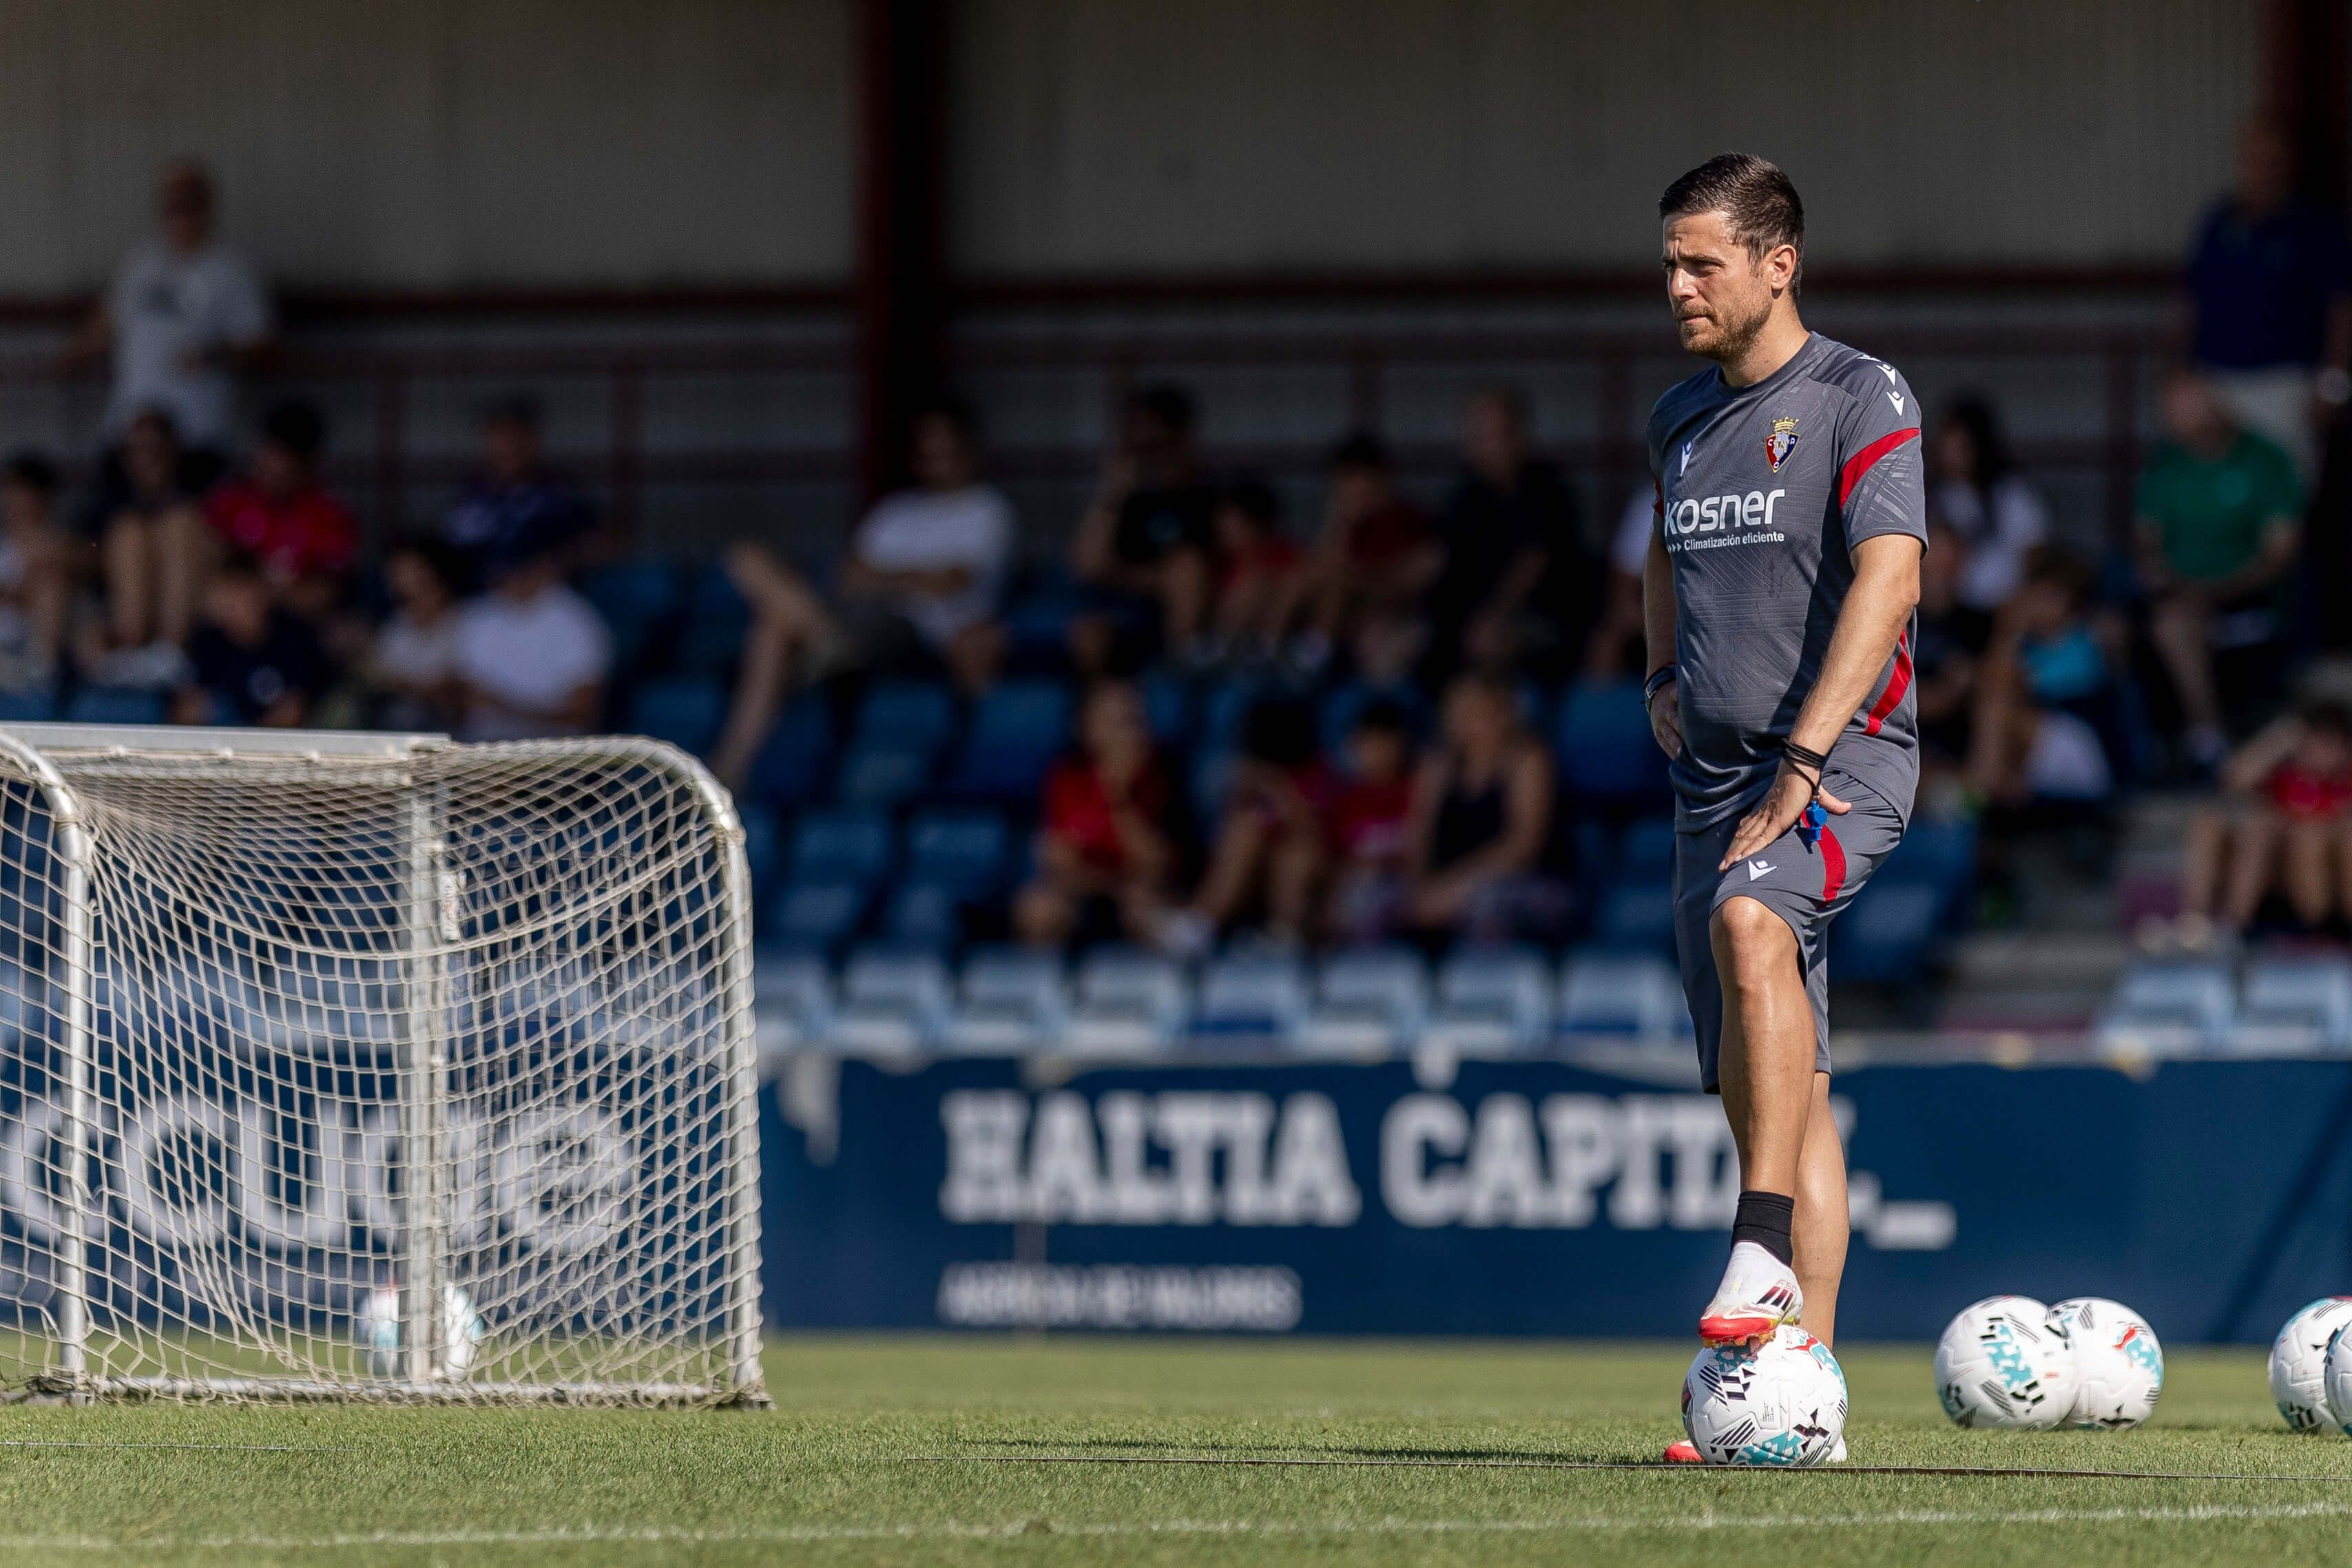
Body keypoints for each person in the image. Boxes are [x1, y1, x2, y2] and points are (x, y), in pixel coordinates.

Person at [1641, 155, 1924, 1444]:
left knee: (1755, 924)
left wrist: (1806, 759)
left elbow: (1892, 579)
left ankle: (1758, 1251)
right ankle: (1797, 1392)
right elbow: (1658, 550)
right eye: (1670, 263)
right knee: (1778, 1089)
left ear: (1778, 263)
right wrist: (1659, 670)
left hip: (1838, 759)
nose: (1679, 285)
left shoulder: (1861, 393)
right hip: (1711, 781)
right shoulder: (1678, 422)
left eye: (1703, 262)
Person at [706, 403, 1014, 789]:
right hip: (857, 616)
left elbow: (951, 581)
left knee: (773, 630)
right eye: (929, 452)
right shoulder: (897, 510)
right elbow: (849, 577)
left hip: (919, 633)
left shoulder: (987, 510)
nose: (939, 461)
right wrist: (914, 576)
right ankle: (825, 645)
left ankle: (733, 764)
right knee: (749, 560)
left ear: (969, 451)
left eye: (948, 450)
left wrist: (885, 576)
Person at [2136, 368, 2303, 771]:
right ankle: (2162, 746)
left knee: (2176, 624)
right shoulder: (2165, 465)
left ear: (2215, 402)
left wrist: (2216, 592)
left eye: (2186, 405)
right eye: (2170, 408)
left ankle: (2206, 736)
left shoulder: (2266, 460)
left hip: (2247, 601)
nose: (2176, 416)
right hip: (2179, 598)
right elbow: (2147, 541)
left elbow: (2280, 555)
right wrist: (2161, 577)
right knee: (2135, 626)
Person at [59, 162, 273, 476]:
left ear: (206, 208)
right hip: (130, 430)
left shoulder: (232, 271)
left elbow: (263, 346)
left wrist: (214, 355)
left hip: (197, 434)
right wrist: (63, 361)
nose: (179, 214)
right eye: (171, 205)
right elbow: (104, 327)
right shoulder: (140, 264)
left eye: (188, 203)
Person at [2185, 121, 2352, 480]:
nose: (2260, 169)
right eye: (2251, 159)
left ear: (2290, 163)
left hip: (2287, 386)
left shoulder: (2317, 227)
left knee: (2283, 495)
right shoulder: (2218, 222)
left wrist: (2334, 384)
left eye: (2271, 159)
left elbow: (2342, 310)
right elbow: (2190, 301)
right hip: (2216, 382)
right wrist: (2176, 371)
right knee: (2216, 496)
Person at [1428, 389, 1590, 680]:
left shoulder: (1547, 490)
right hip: (1472, 621)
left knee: (1491, 640)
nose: (1487, 447)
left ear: (1519, 437)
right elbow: (1442, 563)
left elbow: (1534, 562)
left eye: (1496, 435)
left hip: (1544, 619)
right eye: (1478, 436)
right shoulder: (1465, 497)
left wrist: (1496, 616)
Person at [1013, 680, 1181, 948]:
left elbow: (1155, 864)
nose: (1129, 732)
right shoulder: (1066, 780)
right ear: (1087, 727)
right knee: (1036, 908)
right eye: (1116, 722)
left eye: (1133, 721)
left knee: (1146, 910)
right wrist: (1110, 887)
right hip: (1088, 892)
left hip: (1142, 895)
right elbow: (1059, 863)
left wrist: (1118, 796)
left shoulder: (1161, 778)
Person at [2177, 697, 2352, 945]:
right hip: (2280, 878)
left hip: (2326, 887)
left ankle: (2323, 924)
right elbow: (2233, 778)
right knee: (2214, 822)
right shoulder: (2286, 776)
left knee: (2318, 837)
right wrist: (2281, 738)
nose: (2319, 753)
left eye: (2328, 743)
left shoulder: (2346, 781)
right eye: (2312, 742)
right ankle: (2207, 923)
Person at [1400, 673, 1560, 941]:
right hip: (1445, 883)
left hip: (1526, 881)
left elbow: (1523, 845)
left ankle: (1486, 983)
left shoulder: (1528, 759)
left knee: (1488, 904)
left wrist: (1454, 889)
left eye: (1476, 709)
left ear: (1503, 711)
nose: (1466, 721)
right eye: (1458, 711)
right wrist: (1417, 888)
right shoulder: (1437, 766)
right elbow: (1419, 836)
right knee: (1371, 901)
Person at [1068, 386, 1217, 670]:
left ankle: (1182, 677)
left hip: (1200, 614)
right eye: (1142, 448)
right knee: (1088, 633)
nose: (1152, 458)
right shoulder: (1128, 501)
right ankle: (1101, 711)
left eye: (1159, 445)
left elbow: (1206, 568)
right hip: (1128, 605)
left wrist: (1163, 578)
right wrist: (1110, 495)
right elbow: (1087, 565)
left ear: (1184, 441)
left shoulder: (1210, 497)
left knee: (1185, 569)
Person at [1165, 694, 1328, 953]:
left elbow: (1315, 835)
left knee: (1295, 857)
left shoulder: (1314, 774)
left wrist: (1280, 788)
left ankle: (1284, 935)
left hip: (1307, 880)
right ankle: (1200, 924)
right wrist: (1247, 788)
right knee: (1246, 829)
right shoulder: (1247, 776)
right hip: (1251, 881)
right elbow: (1223, 830)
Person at [1965, 547, 2123, 807]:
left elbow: (2026, 690)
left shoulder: (2084, 644)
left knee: (2000, 698)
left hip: (2082, 751)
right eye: (2036, 596)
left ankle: (1979, 785)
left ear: (2071, 602)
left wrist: (2008, 635)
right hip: (2029, 748)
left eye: (2051, 597)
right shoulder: (2027, 646)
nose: (2039, 605)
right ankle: (1989, 783)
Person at [78, 408, 211, 687]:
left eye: (158, 449)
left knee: (178, 526)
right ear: (126, 457)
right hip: (121, 616)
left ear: (175, 451)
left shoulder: (203, 494)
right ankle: (134, 654)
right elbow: (74, 549)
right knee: (130, 533)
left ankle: (168, 655)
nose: (150, 458)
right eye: (140, 449)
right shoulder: (107, 502)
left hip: (190, 616)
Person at [205, 400, 359, 627]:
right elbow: (204, 566)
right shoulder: (231, 501)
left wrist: (262, 594)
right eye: (266, 452)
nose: (270, 465)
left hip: (294, 626)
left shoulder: (330, 514)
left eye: (283, 458)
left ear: (307, 463)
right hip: (226, 620)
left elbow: (325, 594)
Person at [1302, 434, 1438, 680]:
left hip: (1398, 623)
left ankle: (1311, 661)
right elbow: (1315, 578)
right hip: (1348, 628)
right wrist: (1341, 524)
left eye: (1357, 479)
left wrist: (1362, 581)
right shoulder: (1343, 527)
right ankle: (1307, 661)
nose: (1351, 490)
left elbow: (1413, 583)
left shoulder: (1412, 522)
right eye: (1343, 482)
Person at [448, 544, 612, 741]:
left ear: (544, 566)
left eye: (518, 568)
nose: (509, 577)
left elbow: (584, 716)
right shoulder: (476, 615)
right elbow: (456, 695)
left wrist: (506, 707)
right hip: (478, 749)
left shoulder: (579, 623)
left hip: (555, 756)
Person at [441, 398, 592, 591]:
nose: (509, 445)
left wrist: (551, 567)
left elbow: (597, 543)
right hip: (479, 601)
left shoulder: (559, 492)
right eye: (500, 436)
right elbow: (452, 553)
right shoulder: (469, 495)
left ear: (534, 439)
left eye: (517, 435)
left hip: (544, 597)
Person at [175, 552, 327, 728]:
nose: (228, 605)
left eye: (236, 592)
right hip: (224, 743)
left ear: (259, 592)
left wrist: (245, 740)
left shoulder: (293, 637)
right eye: (223, 594)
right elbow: (187, 712)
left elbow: (294, 712)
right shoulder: (208, 641)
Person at [1926, 394, 2048, 614]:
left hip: (2008, 609)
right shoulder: (1938, 496)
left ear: (1977, 446)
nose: (1949, 454)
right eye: (1945, 444)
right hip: (1952, 612)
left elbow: (2035, 557)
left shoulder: (2010, 493)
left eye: (1959, 446)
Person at [1324, 700, 1420, 942]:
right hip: (1355, 892)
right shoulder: (1346, 800)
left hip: (1406, 888)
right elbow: (1334, 860)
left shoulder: (1419, 791)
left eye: (1386, 744)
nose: (1378, 754)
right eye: (1369, 745)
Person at [362, 538, 466, 732]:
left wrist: (402, 684)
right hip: (396, 732)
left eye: (408, 568)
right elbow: (373, 676)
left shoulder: (469, 621)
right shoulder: (396, 625)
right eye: (394, 571)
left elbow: (456, 692)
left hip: (456, 735)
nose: (398, 578)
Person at [1207, 478, 1306, 662]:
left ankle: (1266, 648)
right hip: (1224, 639)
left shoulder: (1284, 554)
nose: (1220, 525)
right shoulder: (1216, 561)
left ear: (1253, 523)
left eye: (1230, 519)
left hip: (1276, 640)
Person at [0, 457, 70, 693]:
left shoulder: (58, 543)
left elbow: (94, 558)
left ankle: (39, 673)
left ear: (43, 497)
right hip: (5, 647)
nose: (12, 501)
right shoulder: (4, 546)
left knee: (50, 583)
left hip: (33, 652)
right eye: (8, 492)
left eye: (21, 492)